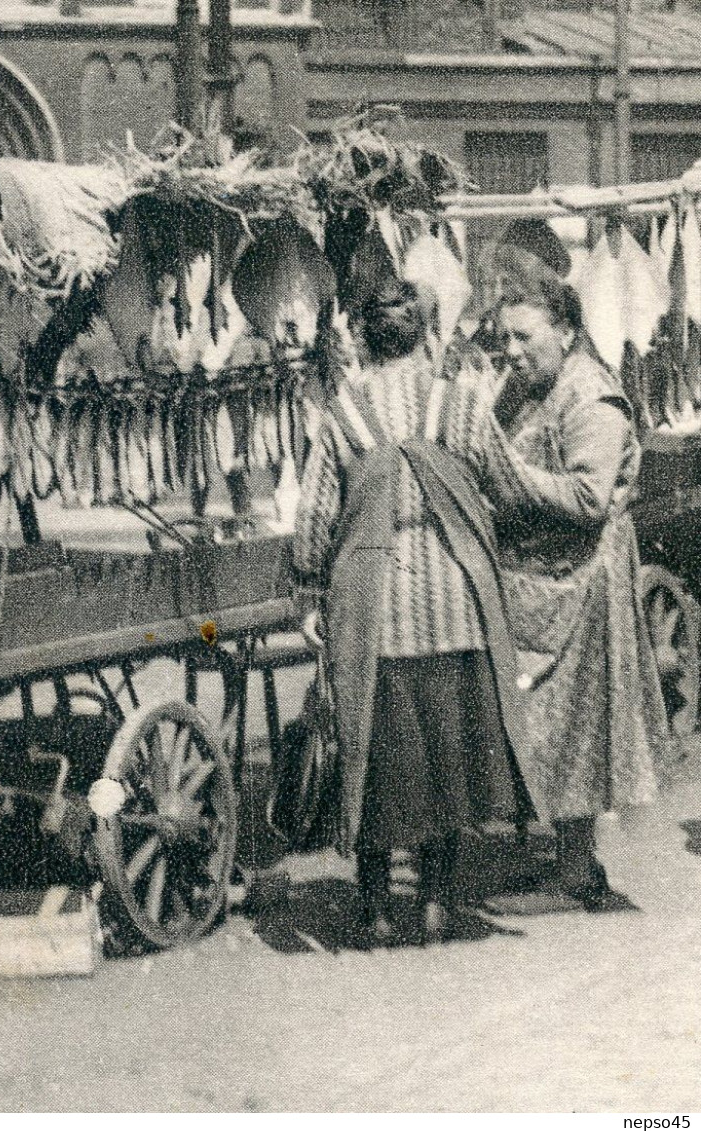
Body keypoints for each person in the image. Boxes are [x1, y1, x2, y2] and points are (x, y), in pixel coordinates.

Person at [293, 270, 531, 944]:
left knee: (376, 757)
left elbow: (313, 515)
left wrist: (308, 592)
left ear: (362, 340)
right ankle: (431, 904)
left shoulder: (342, 414)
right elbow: (507, 485)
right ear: (424, 335)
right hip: (455, 606)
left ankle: (371, 909)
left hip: (374, 615)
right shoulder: (457, 405)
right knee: (447, 759)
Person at [480, 266, 668, 910]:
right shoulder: (524, 386)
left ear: (565, 332)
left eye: (524, 336)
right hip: (538, 580)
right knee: (534, 719)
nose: (512, 349)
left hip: (584, 582)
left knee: (573, 722)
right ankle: (555, 851)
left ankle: (577, 868)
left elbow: (589, 497)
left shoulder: (591, 399)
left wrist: (505, 475)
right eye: (505, 336)